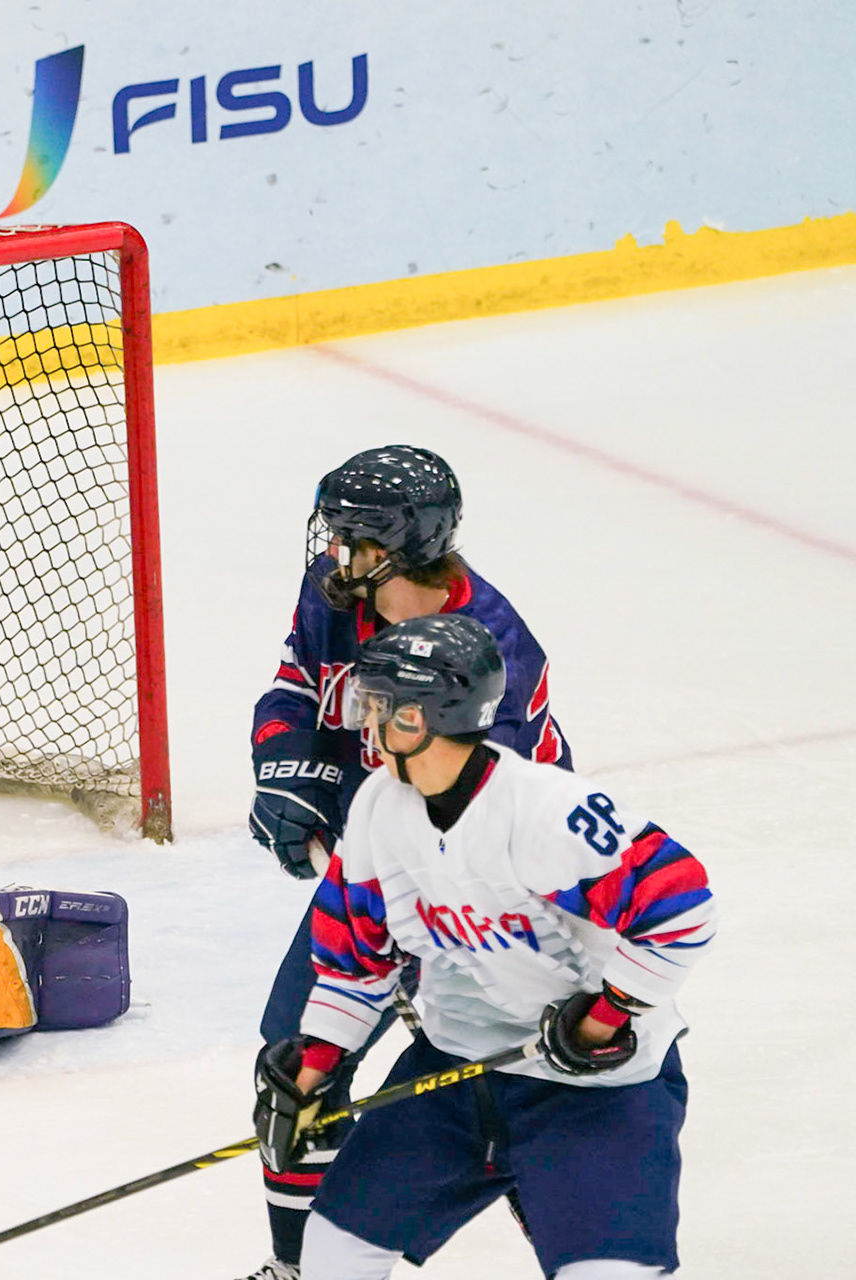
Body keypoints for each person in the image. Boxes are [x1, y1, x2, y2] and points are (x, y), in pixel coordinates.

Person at [253, 614, 714, 1279]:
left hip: (593, 1094)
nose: (366, 724)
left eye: (377, 708)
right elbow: (356, 957)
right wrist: (313, 1068)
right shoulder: (382, 809)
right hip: (452, 1075)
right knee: (334, 1251)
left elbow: (681, 906)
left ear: (419, 719)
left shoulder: (546, 812)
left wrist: (604, 1015)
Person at [239, 444, 569, 1280]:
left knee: (521, 1098)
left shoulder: (490, 647)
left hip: (504, 895)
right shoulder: (334, 595)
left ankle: (588, 1255)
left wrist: (410, 924)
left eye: (350, 537)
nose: (333, 551)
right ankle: (299, 1270)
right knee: (295, 1058)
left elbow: (469, 821)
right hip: (381, 861)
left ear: (393, 547)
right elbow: (292, 692)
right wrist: (292, 775)